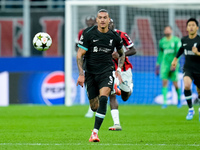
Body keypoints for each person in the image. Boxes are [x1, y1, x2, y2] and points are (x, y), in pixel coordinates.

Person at [76, 9, 125, 142]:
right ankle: (110, 90)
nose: (102, 20)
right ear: (97, 20)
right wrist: (81, 74)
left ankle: (95, 133)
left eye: (105, 17)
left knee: (104, 98)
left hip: (106, 71)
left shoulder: (114, 36)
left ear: (109, 20)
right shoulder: (88, 34)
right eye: (100, 17)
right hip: (91, 73)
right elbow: (80, 54)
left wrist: (119, 69)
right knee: (94, 107)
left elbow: (122, 53)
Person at [171, 18, 200, 121]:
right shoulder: (184, 40)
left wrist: (197, 53)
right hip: (188, 69)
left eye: (193, 25)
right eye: (189, 25)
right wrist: (175, 59)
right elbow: (181, 50)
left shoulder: (199, 40)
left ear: (197, 27)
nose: (191, 27)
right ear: (187, 28)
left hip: (199, 70)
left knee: (199, 91)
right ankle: (191, 109)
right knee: (187, 85)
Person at [156, 26, 182, 109]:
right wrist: (157, 64)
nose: (167, 31)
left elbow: (179, 53)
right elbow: (160, 53)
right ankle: (165, 102)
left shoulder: (176, 40)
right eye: (165, 29)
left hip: (173, 64)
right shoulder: (162, 41)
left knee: (175, 84)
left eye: (168, 29)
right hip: (164, 64)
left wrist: (174, 63)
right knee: (164, 82)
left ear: (171, 30)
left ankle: (179, 100)